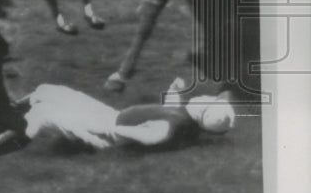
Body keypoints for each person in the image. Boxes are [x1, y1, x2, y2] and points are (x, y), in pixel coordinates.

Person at [23, 77, 235, 150]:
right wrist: (174, 90)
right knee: (48, 90)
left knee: (43, 112)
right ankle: (12, 113)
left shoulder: (174, 125)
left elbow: (154, 136)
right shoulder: (184, 118)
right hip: (109, 116)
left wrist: (113, 129)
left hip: (104, 132)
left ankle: (13, 137)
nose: (204, 97)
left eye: (208, 101)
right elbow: (169, 110)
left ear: (203, 112)